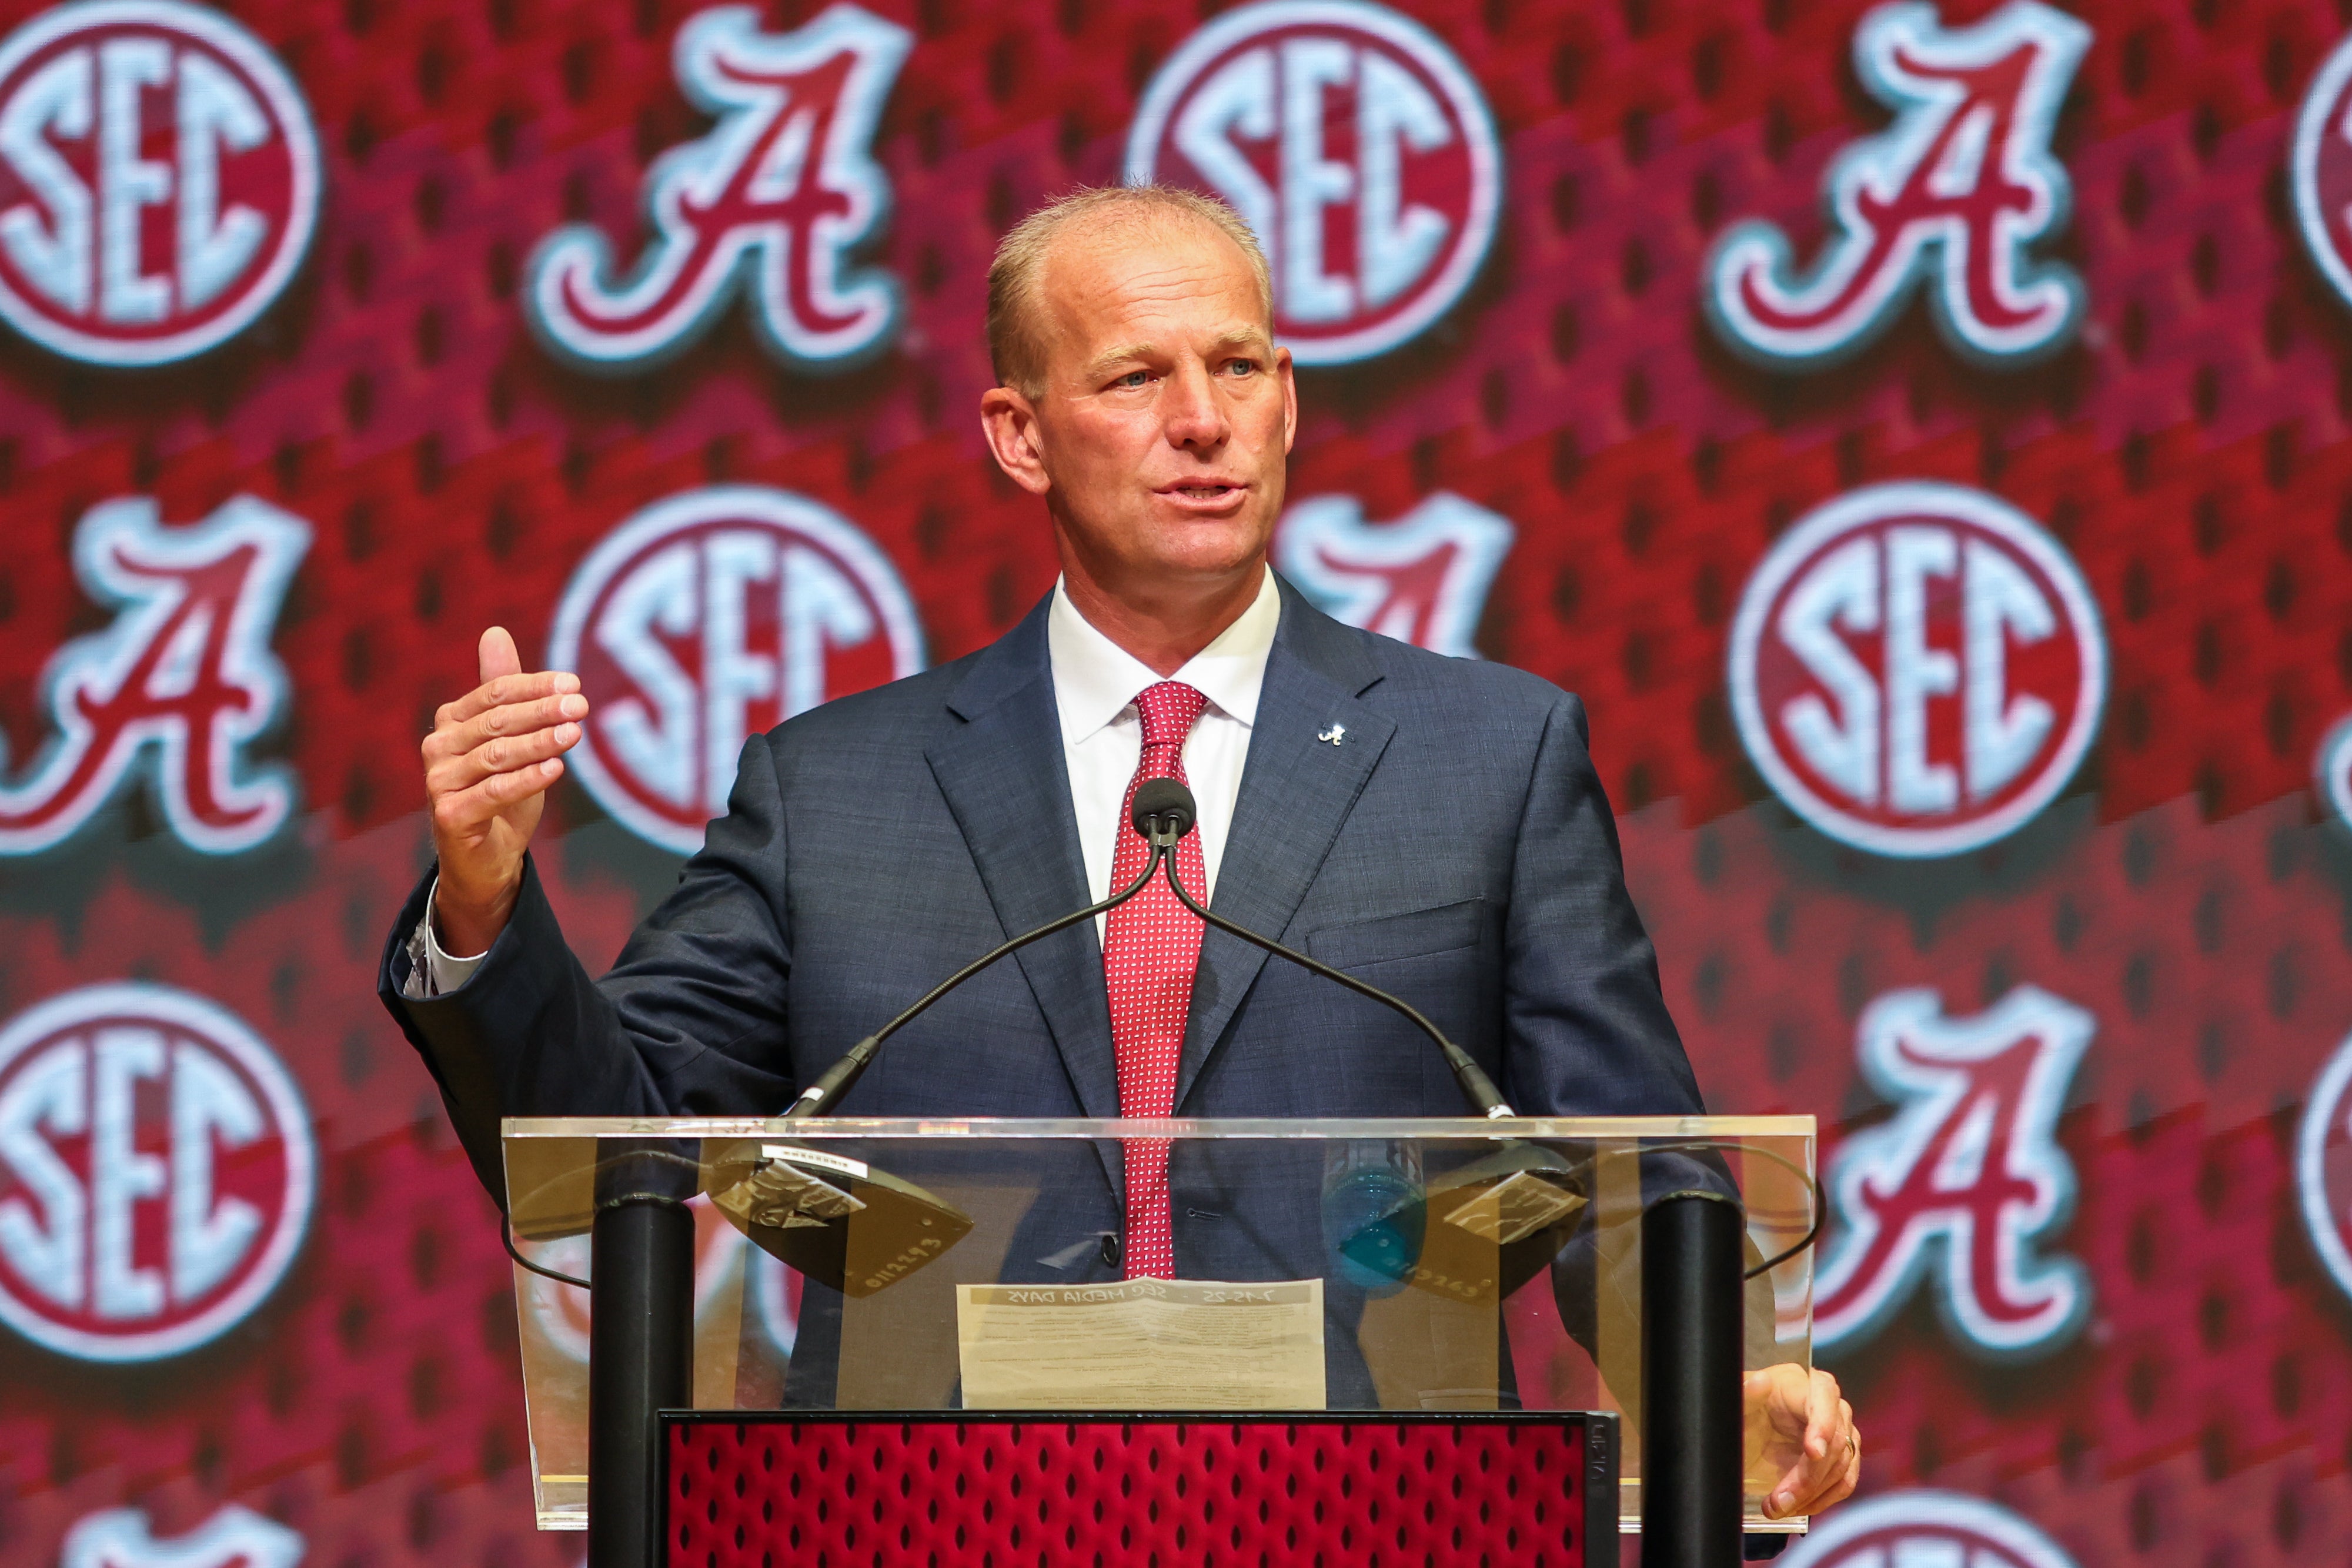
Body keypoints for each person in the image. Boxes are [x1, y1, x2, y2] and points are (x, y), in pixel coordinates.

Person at [379, 186, 1858, 1523]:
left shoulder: (1489, 755)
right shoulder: (836, 788)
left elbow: (1629, 1164)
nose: (1200, 419)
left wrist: (1718, 1376)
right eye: (1135, 377)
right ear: (1019, 434)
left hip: (1378, 1514)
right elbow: (610, 1148)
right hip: (934, 1520)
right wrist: (483, 904)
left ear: (1288, 400)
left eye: (1238, 367)